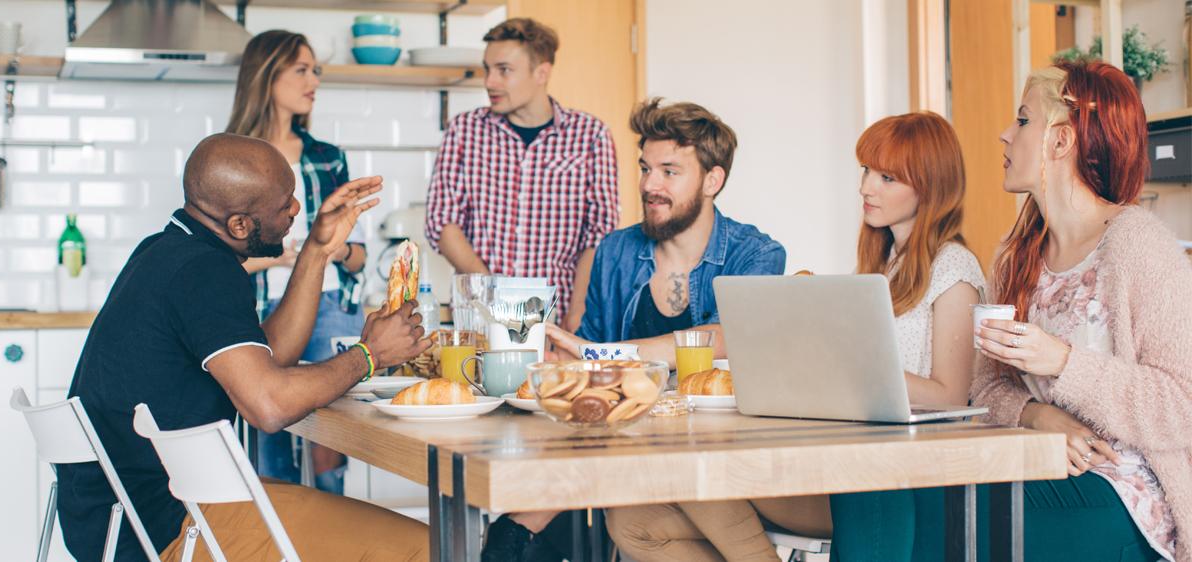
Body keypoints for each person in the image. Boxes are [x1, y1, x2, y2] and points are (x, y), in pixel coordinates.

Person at [830, 60, 1189, 562]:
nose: (1004, 135)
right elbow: (986, 388)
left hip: (1123, 496)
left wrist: (1064, 363)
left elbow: (1182, 407)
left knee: (927, 509)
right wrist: (1036, 414)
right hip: (1036, 463)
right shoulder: (1018, 253)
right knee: (869, 479)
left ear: (1060, 142)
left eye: (1022, 120)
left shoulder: (1137, 245)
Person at [604, 111, 985, 561]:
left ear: (929, 185)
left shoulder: (954, 269)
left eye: (886, 177)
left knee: (694, 465)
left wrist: (842, 368)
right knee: (632, 521)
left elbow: (952, 397)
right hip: (844, 457)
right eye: (865, 171)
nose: (866, 187)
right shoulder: (882, 265)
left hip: (892, 475)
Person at [57, 133, 432, 561]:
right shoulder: (206, 271)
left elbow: (266, 356)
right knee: (424, 547)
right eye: (284, 203)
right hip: (167, 523)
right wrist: (371, 355)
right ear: (239, 225)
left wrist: (317, 248)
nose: (296, 209)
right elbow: (268, 405)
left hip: (115, 516)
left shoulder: (165, 250)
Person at [481, 98, 787, 561]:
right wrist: (559, 363)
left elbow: (728, 335)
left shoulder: (757, 254)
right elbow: (588, 354)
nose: (649, 184)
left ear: (713, 179)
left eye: (669, 171)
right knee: (628, 521)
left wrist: (603, 355)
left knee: (627, 495)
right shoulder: (617, 251)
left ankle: (531, 517)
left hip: (724, 454)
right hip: (632, 451)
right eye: (645, 168)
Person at [225, 29, 364, 494]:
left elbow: (358, 257)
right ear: (267, 76)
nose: (313, 81)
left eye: (316, 70)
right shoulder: (231, 161)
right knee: (269, 431)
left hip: (329, 310)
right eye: (301, 69)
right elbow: (215, 264)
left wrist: (330, 249)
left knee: (333, 437)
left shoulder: (328, 158)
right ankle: (280, 533)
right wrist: (281, 259)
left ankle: (333, 529)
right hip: (258, 311)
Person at [425, 17, 619, 330]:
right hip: (479, 317)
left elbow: (598, 235)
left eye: (504, 70)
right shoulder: (464, 130)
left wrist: (578, 312)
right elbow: (442, 222)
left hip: (558, 316)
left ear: (541, 72)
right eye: (487, 69)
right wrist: (495, 296)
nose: (490, 82)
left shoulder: (590, 135)